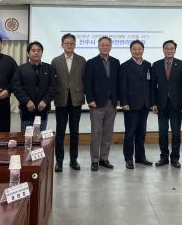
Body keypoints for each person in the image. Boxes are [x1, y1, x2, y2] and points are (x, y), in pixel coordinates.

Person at [151, 40, 182, 168]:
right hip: (161, 104)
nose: (169, 50)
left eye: (171, 48)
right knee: (162, 133)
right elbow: (152, 86)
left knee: (176, 133)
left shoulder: (181, 64)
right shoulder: (156, 65)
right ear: (163, 50)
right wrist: (153, 103)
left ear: (175, 50)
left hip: (177, 104)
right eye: (167, 48)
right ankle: (163, 157)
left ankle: (175, 158)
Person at [51, 33, 86, 172]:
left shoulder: (81, 60)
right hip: (61, 100)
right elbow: (53, 81)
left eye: (72, 43)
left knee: (75, 132)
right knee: (60, 132)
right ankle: (59, 161)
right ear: (62, 45)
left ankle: (73, 160)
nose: (69, 45)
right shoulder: (55, 61)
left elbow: (84, 79)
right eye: (67, 43)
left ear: (75, 45)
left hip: (76, 100)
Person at [85, 36, 120, 171]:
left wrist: (119, 99)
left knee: (107, 134)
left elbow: (118, 82)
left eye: (107, 45)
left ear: (111, 46)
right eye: (102, 45)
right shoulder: (91, 62)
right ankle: (94, 160)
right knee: (96, 133)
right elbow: (88, 83)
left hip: (112, 103)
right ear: (98, 46)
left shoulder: (116, 62)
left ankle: (104, 159)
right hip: (97, 104)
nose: (105, 47)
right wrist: (90, 100)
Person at [120, 40, 153, 169]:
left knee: (141, 133)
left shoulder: (148, 65)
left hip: (145, 105)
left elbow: (150, 85)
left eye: (139, 49)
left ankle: (140, 157)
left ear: (143, 50)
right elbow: (122, 86)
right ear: (130, 50)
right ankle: (128, 158)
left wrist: (151, 102)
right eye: (134, 49)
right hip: (131, 105)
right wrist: (124, 102)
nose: (137, 51)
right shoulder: (125, 66)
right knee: (130, 133)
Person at [12, 41, 56, 133]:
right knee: (27, 136)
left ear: (42, 53)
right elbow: (16, 87)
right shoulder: (21, 69)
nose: (36, 53)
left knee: (40, 135)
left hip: (43, 108)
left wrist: (45, 101)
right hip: (26, 108)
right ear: (28, 53)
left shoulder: (49, 68)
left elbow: (53, 86)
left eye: (39, 50)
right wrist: (27, 101)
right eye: (33, 50)